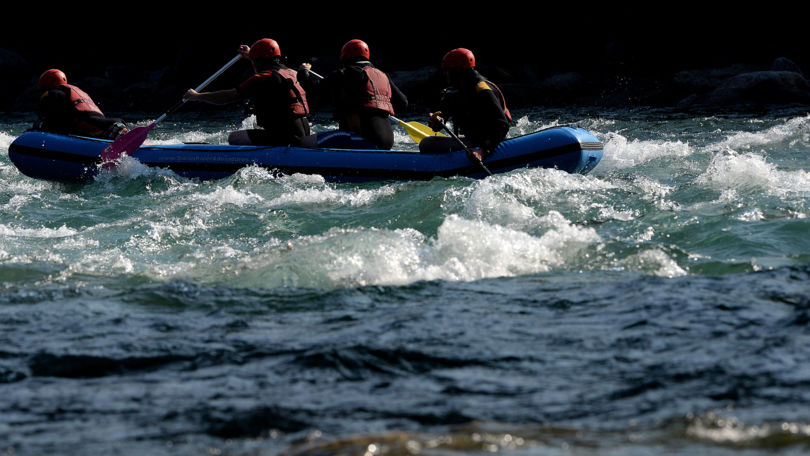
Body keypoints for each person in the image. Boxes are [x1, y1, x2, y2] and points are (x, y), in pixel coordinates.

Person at [184, 38, 310, 146]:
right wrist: (252, 55)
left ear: (258, 61)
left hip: (285, 137)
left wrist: (197, 96)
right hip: (303, 134)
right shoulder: (292, 73)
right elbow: (267, 70)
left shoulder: (263, 79)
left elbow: (229, 96)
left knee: (234, 137)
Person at [298, 39, 407, 150]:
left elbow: (314, 89)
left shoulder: (346, 73)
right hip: (387, 141)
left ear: (345, 57)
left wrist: (303, 72)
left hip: (363, 139)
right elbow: (403, 103)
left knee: (304, 142)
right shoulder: (383, 76)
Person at [419, 48, 511, 160]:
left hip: (489, 140)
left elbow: (502, 126)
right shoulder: (453, 92)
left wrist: (483, 150)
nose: (446, 74)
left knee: (427, 144)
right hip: (471, 138)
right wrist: (437, 122)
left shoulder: (483, 90)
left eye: (449, 70)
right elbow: (441, 118)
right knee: (427, 143)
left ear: (460, 70)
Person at [32, 69, 128, 139]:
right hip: (113, 125)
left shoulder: (52, 93)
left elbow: (48, 118)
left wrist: (35, 129)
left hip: (102, 130)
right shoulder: (77, 91)